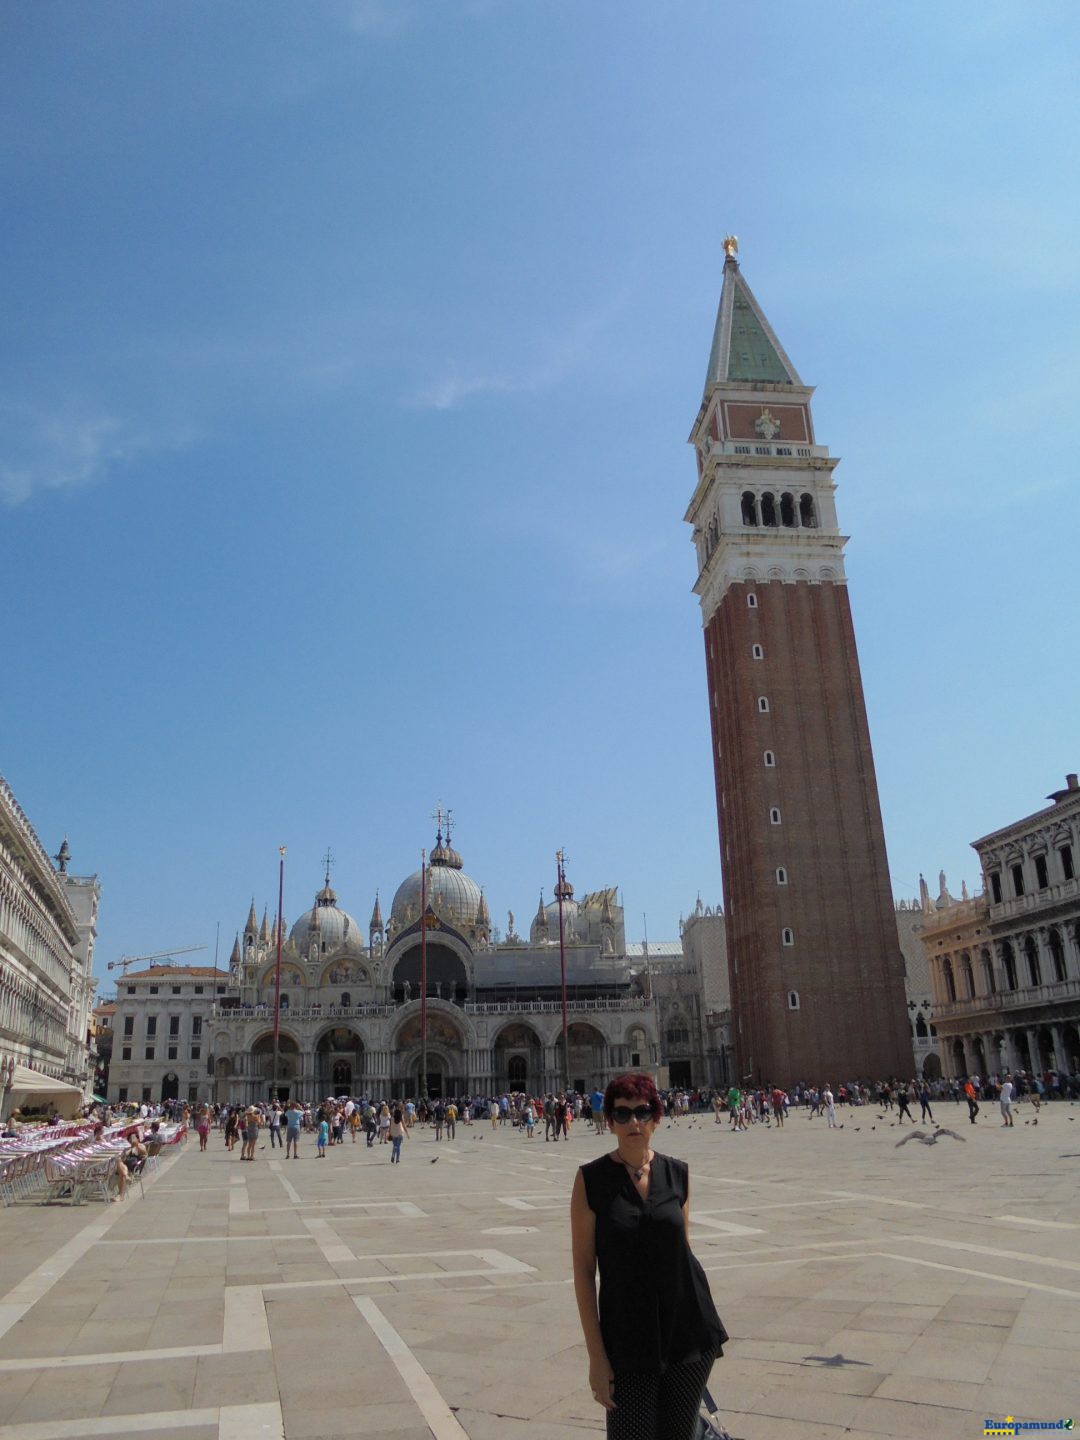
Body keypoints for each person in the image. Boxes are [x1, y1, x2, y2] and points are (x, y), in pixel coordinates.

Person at [570, 1073, 726, 1440]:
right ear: (608, 1121)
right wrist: (596, 1357)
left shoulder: (677, 1174)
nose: (633, 1122)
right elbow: (582, 1272)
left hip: (688, 1330)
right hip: (626, 1338)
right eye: (622, 1114)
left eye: (642, 1112)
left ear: (657, 1117)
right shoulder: (591, 1180)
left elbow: (681, 1250)